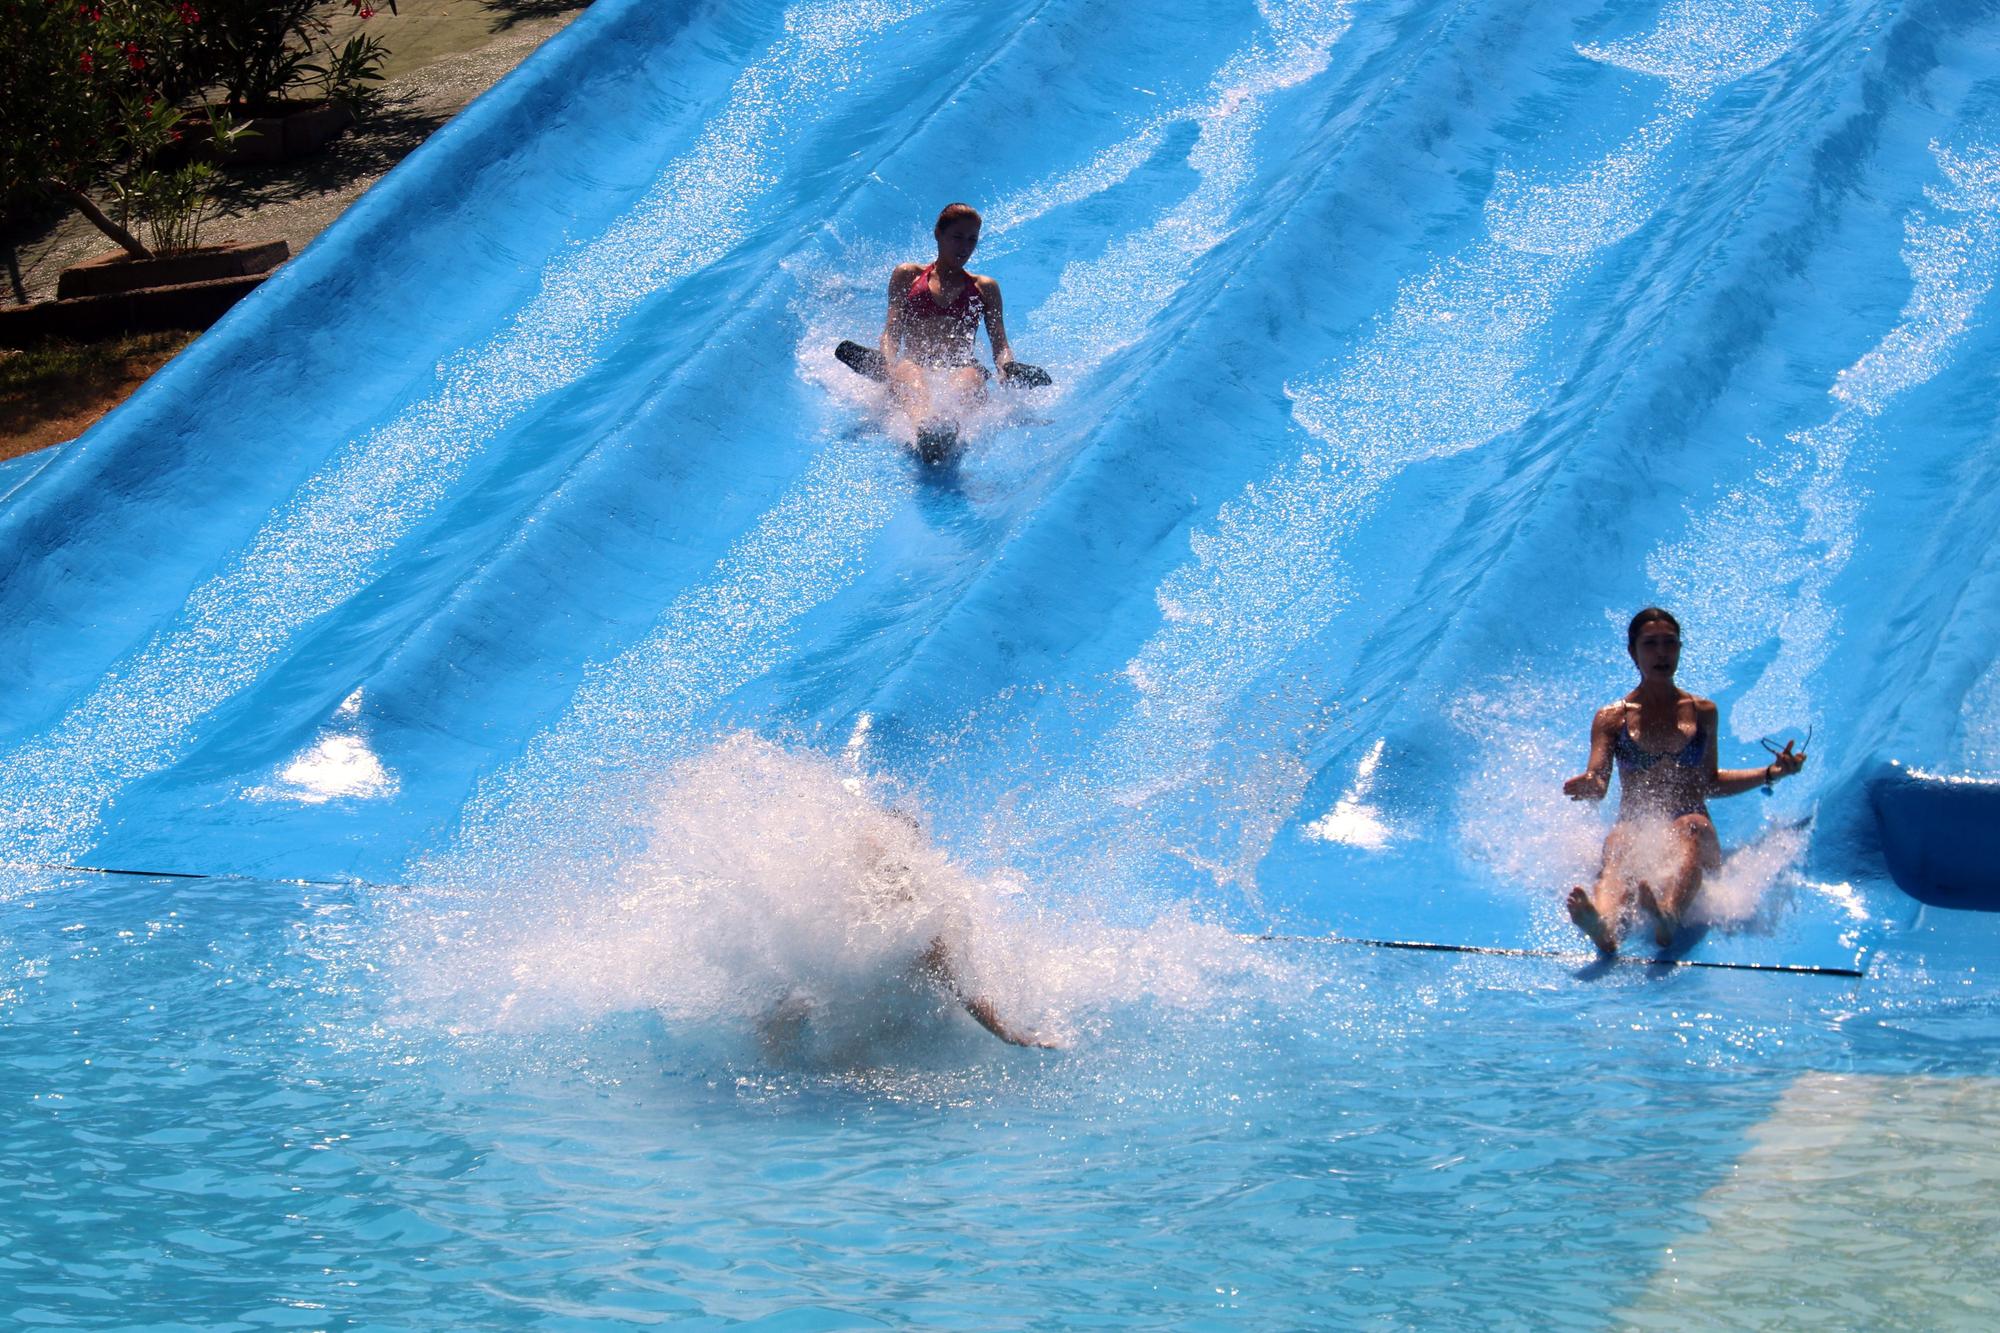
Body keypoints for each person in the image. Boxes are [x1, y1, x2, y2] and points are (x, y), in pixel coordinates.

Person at [1561, 607, 1806, 954]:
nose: (1661, 652)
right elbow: (1598, 780)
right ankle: (1602, 923)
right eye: (1650, 644)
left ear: (1679, 649)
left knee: (1689, 825)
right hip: (1640, 836)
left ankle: (1669, 915)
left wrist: (1771, 773)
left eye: (1670, 643)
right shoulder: (1611, 718)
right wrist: (1590, 786)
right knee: (1620, 840)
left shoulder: (1703, 712)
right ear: (1633, 653)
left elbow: (1709, 781)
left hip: (1695, 838)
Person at [879, 202, 1020, 452]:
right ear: (938, 234)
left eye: (971, 240)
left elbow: (1001, 346)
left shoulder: (985, 288)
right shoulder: (907, 275)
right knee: (909, 373)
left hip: (963, 365)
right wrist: (885, 363)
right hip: (914, 361)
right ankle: (924, 429)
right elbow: (891, 332)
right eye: (957, 237)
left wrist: (1010, 368)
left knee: (969, 378)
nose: (964, 247)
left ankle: (947, 429)